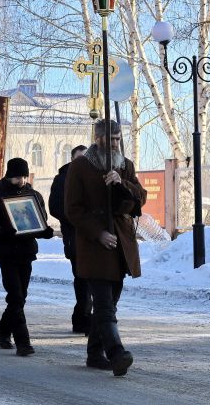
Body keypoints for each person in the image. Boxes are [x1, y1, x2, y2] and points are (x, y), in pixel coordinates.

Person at [65, 119, 146, 377]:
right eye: (110, 139)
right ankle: (116, 353)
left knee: (111, 302)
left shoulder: (125, 165)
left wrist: (121, 183)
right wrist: (98, 233)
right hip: (95, 246)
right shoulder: (80, 166)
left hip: (120, 245)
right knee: (103, 305)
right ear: (97, 138)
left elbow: (139, 199)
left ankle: (94, 353)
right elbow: (73, 209)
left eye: (117, 138)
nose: (114, 143)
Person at [0, 157, 53, 356]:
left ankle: (3, 332)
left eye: (23, 176)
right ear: (8, 176)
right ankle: (23, 342)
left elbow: (38, 222)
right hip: (6, 253)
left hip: (26, 251)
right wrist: (4, 232)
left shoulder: (34, 195)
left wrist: (45, 232)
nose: (20, 180)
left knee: (20, 297)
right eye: (16, 177)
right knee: (15, 295)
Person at [49, 144, 91, 333]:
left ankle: (83, 316)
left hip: (93, 236)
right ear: (72, 160)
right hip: (74, 236)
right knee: (82, 277)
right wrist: (77, 217)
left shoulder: (94, 176)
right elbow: (55, 207)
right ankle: (82, 317)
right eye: (79, 158)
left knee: (91, 278)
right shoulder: (62, 179)